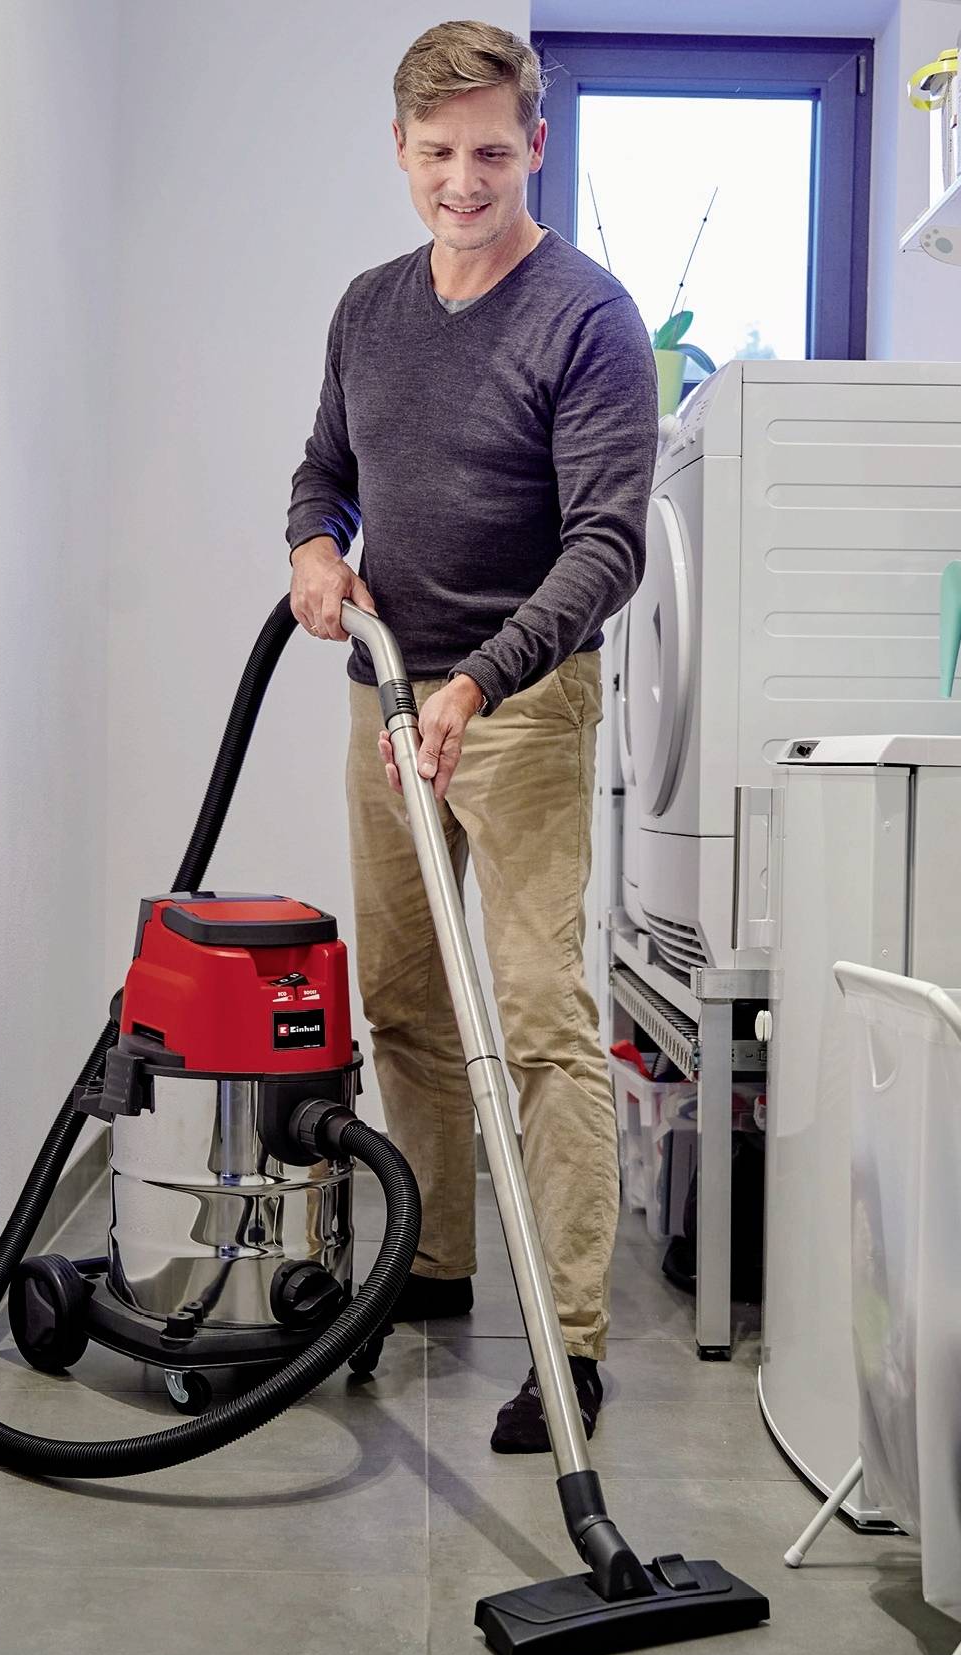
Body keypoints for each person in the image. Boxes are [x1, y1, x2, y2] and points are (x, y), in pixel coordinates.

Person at [286, 20, 657, 1452]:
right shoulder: (369, 308)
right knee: (404, 1006)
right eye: (435, 153)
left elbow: (606, 547)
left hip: (519, 707)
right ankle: (429, 1271)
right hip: (387, 697)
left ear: (534, 147)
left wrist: (481, 682)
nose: (462, 180)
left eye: (490, 151)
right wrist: (316, 550)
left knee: (543, 1026)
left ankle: (567, 1342)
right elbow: (325, 466)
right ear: (399, 149)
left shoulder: (586, 316)